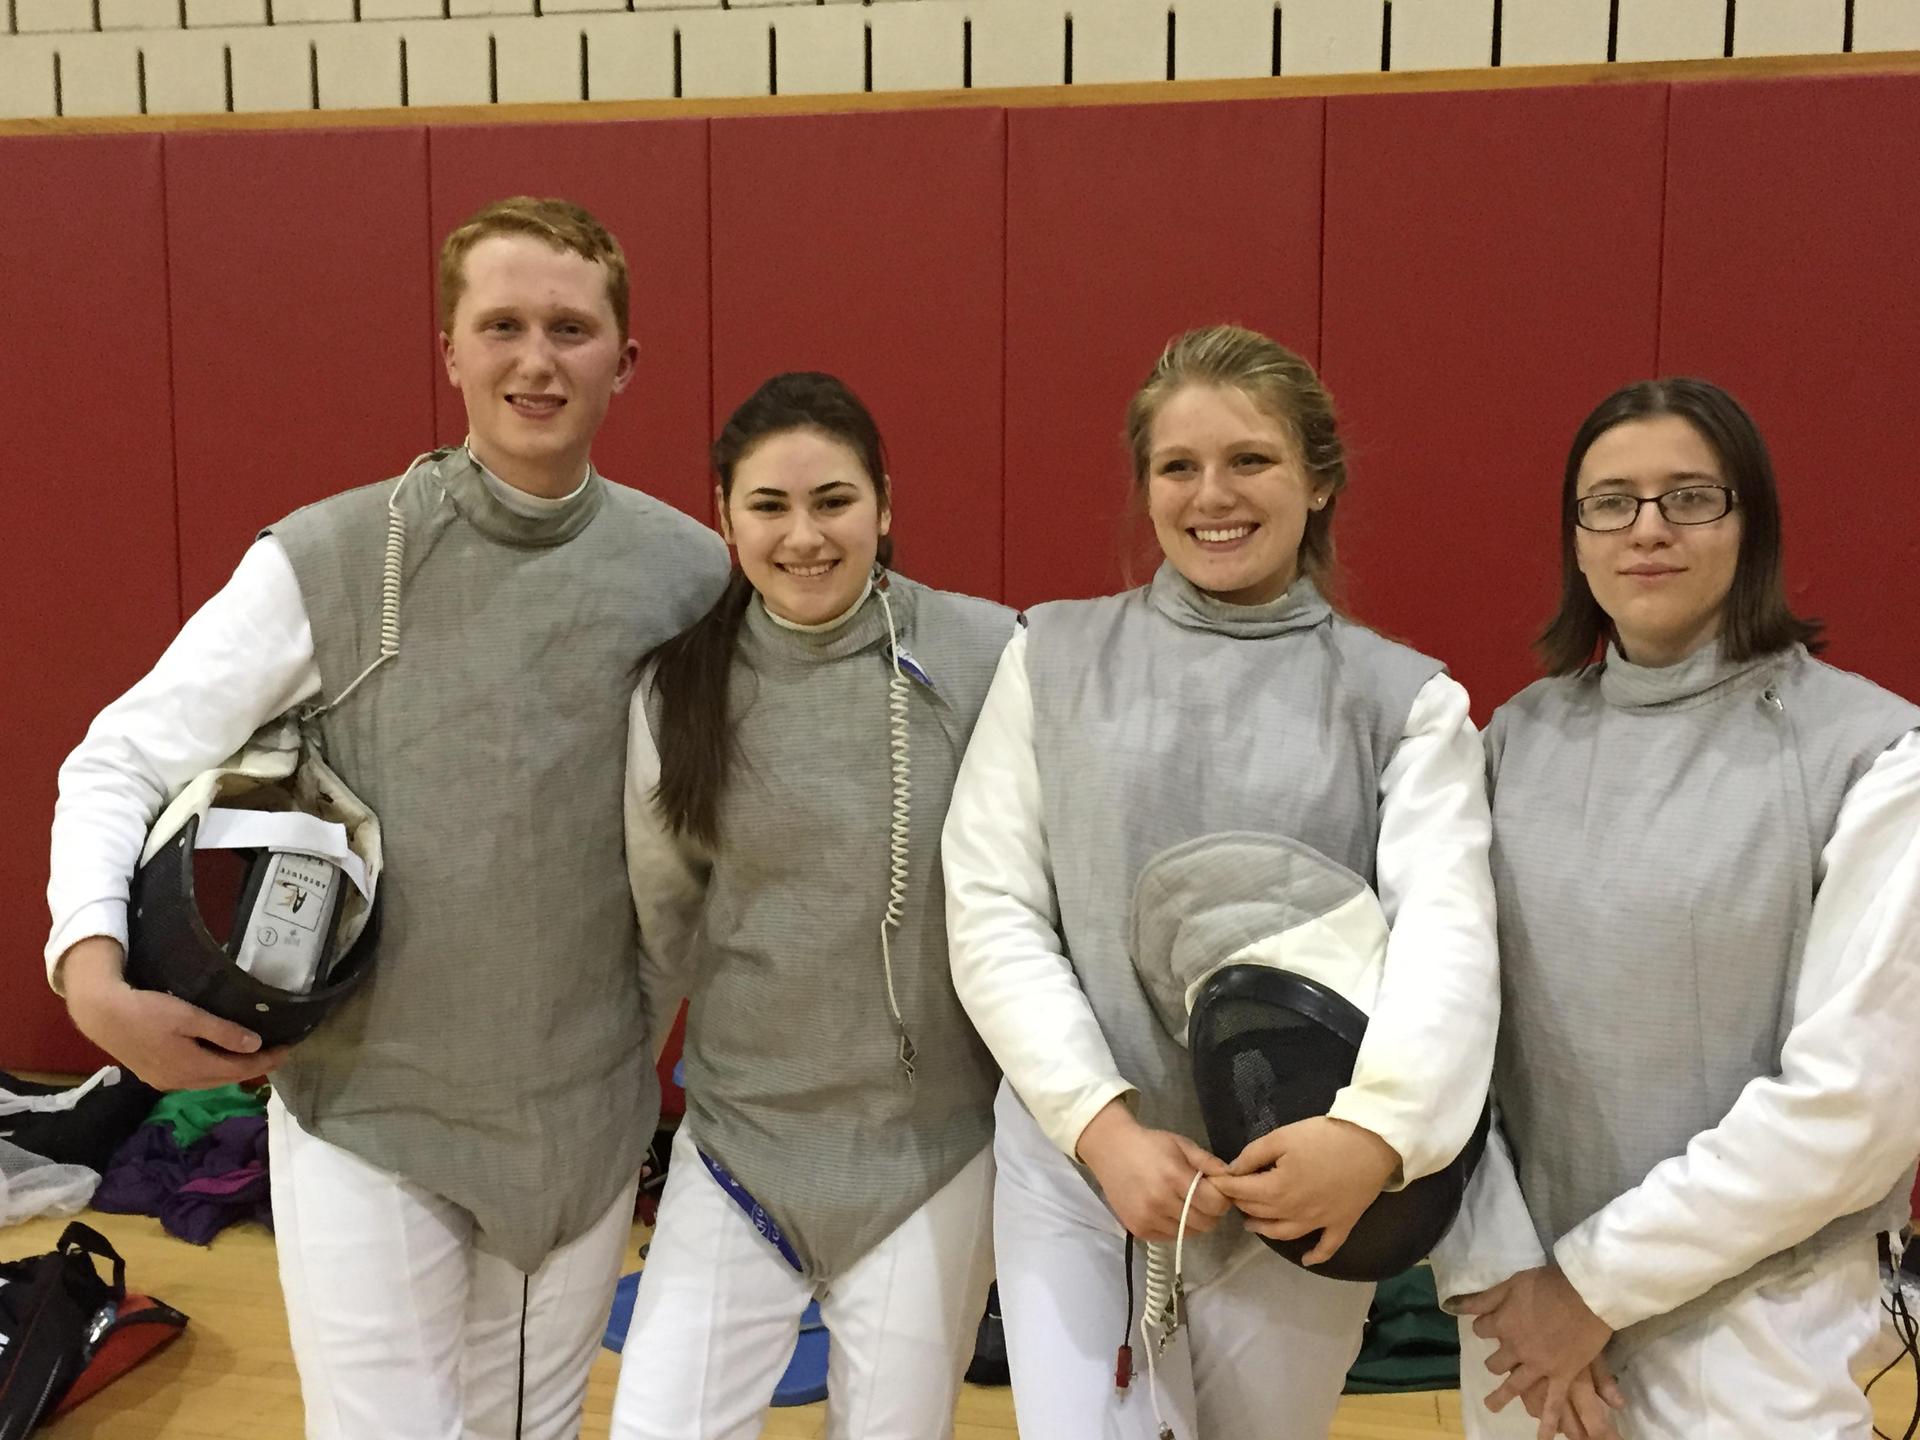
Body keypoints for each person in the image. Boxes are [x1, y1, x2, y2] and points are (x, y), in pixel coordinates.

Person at [45, 196, 730, 1439]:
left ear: (624, 363)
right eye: (503, 325)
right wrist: (94, 986)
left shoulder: (687, 576)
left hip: (580, 1117)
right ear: (451, 352)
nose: (536, 359)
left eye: (571, 329)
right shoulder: (332, 557)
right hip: (368, 1116)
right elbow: (119, 758)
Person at [941, 323, 1499, 1438]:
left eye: (1250, 460)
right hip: (1085, 1172)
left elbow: (1450, 942)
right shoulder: (1047, 655)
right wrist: (1101, 1132)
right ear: (1144, 483)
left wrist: (1371, 1139)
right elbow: (993, 903)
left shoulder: (1405, 700)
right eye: (1178, 466)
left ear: (1318, 481)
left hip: (1302, 1191)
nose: (1213, 496)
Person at [1439, 378, 1920, 1440]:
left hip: (1755, 1332)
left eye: (1690, 497)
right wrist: (1508, 1274)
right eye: (1610, 501)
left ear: (1752, 523)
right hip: (1523, 1326)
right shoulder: (1515, 741)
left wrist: (1592, 1289)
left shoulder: (1875, 757)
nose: (1647, 528)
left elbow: (1856, 1107)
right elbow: (1448, 1033)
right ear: (1576, 538)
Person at [611, 372, 1013, 1440]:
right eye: (769, 507)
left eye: (833, 501)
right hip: (742, 1144)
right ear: (722, 515)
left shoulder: (990, 656)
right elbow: (662, 928)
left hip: (927, 1153)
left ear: (885, 501)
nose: (804, 537)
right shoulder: (676, 690)